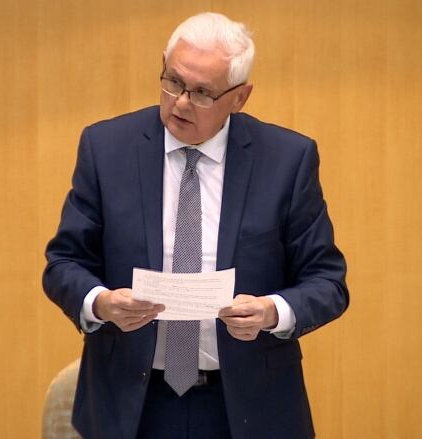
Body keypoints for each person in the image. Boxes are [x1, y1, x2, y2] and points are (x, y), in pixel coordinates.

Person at [43, 12, 349, 439]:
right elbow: (63, 263)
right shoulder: (106, 148)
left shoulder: (286, 160)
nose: (181, 102)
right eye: (173, 81)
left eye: (203, 93)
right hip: (132, 405)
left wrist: (271, 312)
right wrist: (101, 302)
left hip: (247, 406)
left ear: (240, 97)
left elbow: (327, 281)